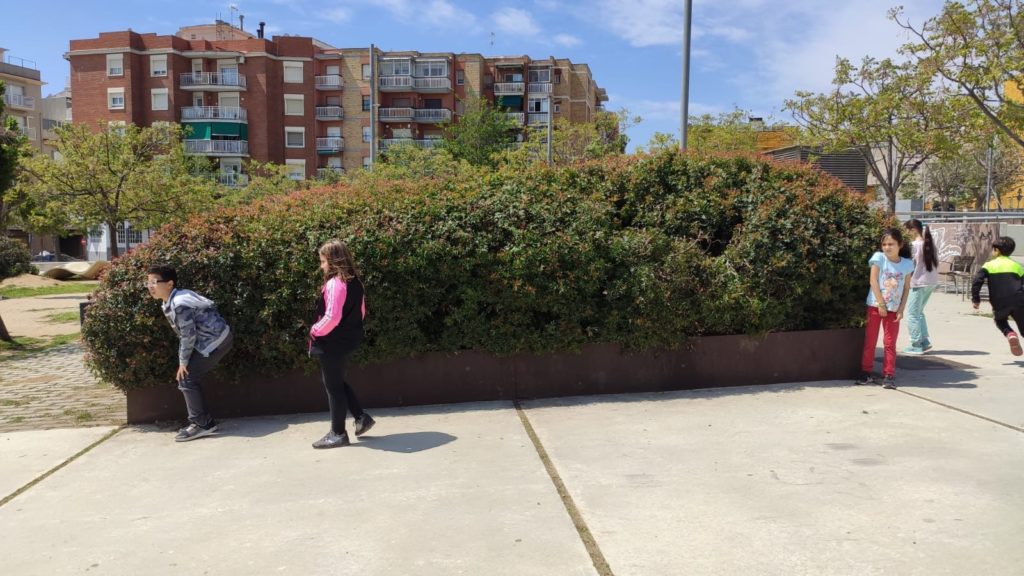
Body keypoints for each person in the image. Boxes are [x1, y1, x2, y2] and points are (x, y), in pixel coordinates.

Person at [146, 264, 233, 441]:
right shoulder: (174, 297)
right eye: (148, 283)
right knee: (187, 377)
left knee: (186, 378)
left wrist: (183, 362)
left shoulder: (179, 304)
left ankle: (202, 424)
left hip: (215, 342)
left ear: (169, 284)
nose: (150, 287)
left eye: (154, 282)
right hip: (216, 337)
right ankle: (203, 421)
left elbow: (188, 336)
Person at [309, 239, 375, 449]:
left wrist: (314, 330)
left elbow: (332, 317)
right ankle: (361, 417)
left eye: (323, 261)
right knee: (336, 381)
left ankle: (338, 433)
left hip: (331, 341)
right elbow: (361, 312)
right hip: (347, 339)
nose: (321, 266)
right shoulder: (355, 282)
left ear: (333, 261)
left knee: (333, 388)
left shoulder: (335, 283)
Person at [857, 228, 915, 389]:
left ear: (900, 245)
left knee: (890, 343)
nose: (887, 247)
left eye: (891, 244)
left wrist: (901, 309)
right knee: (870, 341)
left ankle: (889, 375)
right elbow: (873, 281)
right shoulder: (879, 258)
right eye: (884, 244)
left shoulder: (907, 264)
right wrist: (881, 304)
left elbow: (906, 288)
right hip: (875, 306)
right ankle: (866, 372)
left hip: (894, 310)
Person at [970, 236, 1024, 357]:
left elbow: (977, 281)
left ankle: (1010, 334)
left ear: (996, 250)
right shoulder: (1017, 266)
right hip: (1018, 300)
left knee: (1000, 320)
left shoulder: (989, 265)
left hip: (999, 302)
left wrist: (976, 299)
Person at [902, 219, 939, 354]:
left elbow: (909, 265)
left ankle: (916, 344)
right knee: (919, 312)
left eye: (906, 231)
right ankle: (924, 341)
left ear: (912, 230)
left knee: (912, 314)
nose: (905, 234)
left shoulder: (914, 246)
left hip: (918, 282)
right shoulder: (930, 244)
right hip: (931, 282)